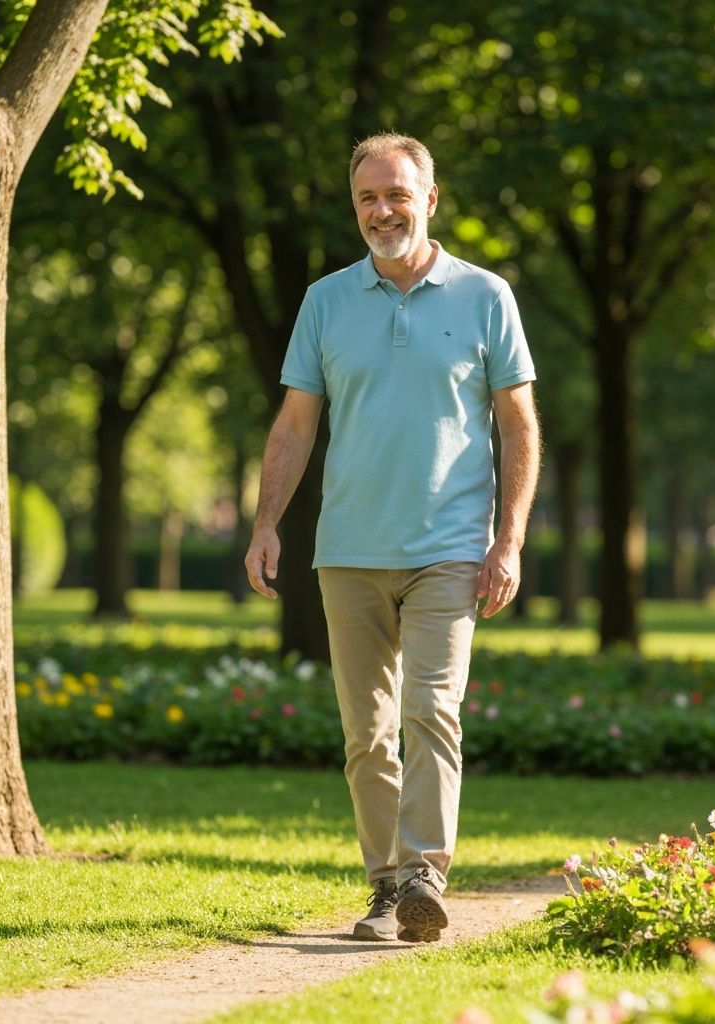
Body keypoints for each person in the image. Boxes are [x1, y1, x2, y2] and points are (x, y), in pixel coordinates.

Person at [244, 132, 540, 943]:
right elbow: (295, 425)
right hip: (348, 549)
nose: (383, 211)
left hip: (450, 548)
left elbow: (518, 427)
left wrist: (506, 539)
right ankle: (386, 888)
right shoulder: (325, 302)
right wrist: (266, 523)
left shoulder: (486, 296)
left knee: (431, 710)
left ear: (430, 200)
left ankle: (422, 876)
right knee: (365, 732)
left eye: (397, 195)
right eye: (368, 198)